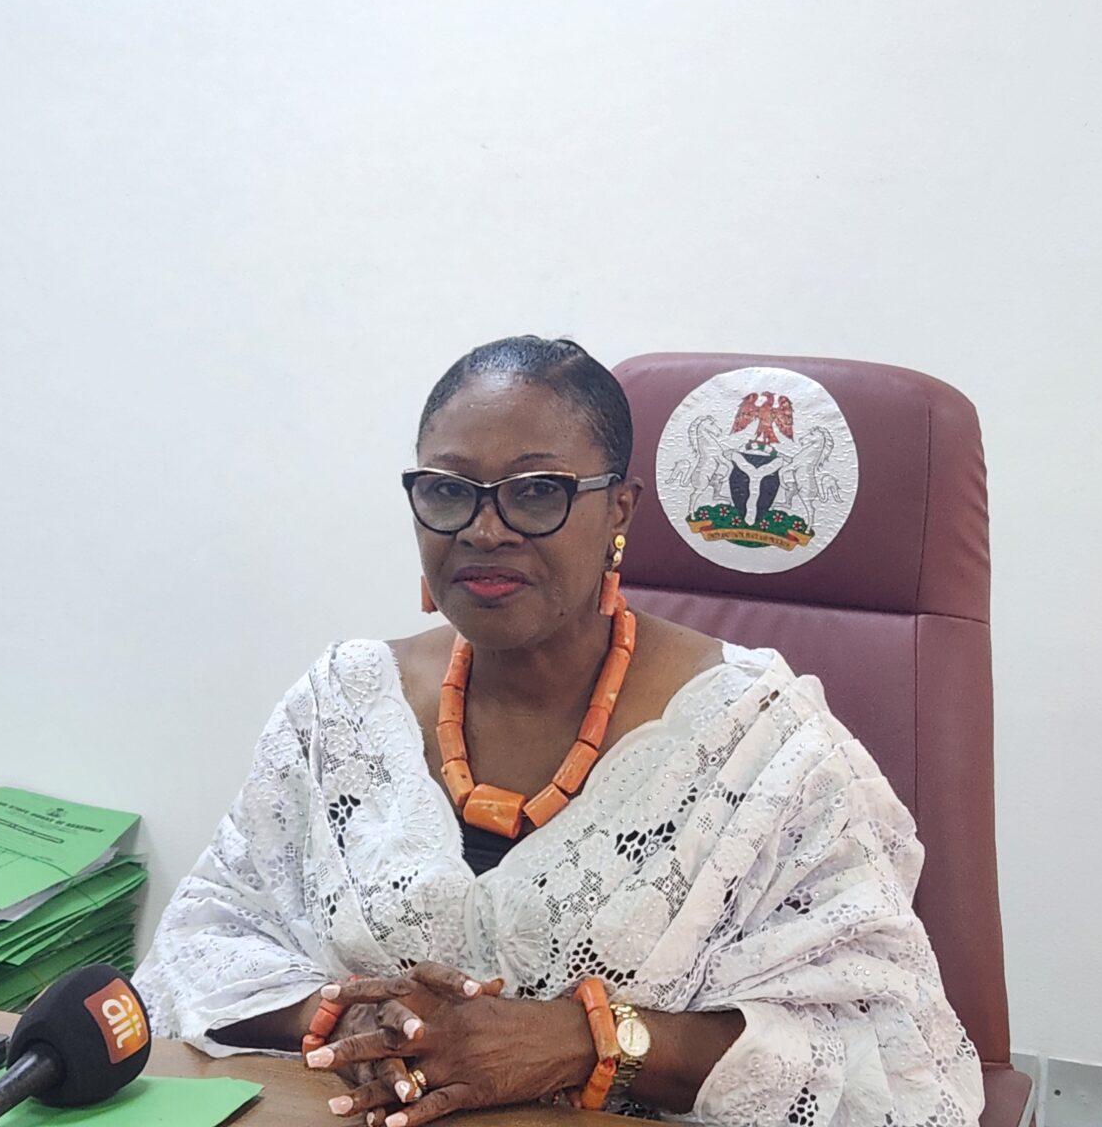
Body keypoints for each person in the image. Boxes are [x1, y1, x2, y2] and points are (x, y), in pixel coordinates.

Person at [134, 336, 984, 1127]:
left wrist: (585, 1042)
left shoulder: (762, 741)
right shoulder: (340, 705)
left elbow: (892, 1057)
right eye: (448, 490)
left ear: (620, 510)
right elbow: (204, 941)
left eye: (537, 491)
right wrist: (347, 1018)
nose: (484, 529)